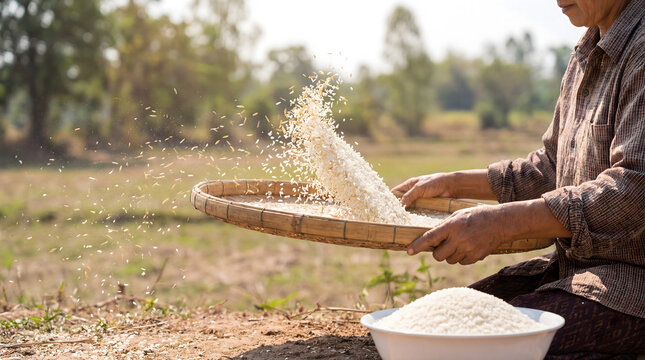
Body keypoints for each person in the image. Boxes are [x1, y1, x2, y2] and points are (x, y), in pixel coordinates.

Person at [393, 0, 645, 358]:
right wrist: (453, 182)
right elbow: (552, 167)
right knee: (431, 329)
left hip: (631, 283)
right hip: (574, 271)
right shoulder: (585, 52)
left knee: (486, 348)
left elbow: (634, 190)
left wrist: (501, 223)